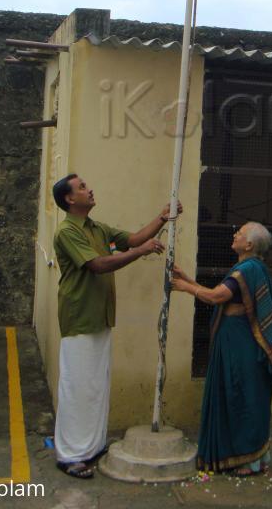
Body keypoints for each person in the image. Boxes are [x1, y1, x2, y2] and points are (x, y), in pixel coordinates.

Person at [51, 173, 179, 479]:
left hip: (100, 316)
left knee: (95, 385)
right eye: (82, 187)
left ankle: (91, 447)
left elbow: (132, 239)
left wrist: (161, 217)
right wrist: (140, 252)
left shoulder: (97, 228)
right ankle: (69, 455)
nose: (89, 188)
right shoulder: (67, 232)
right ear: (70, 199)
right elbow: (97, 264)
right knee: (77, 387)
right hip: (80, 317)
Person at [171, 222, 272, 476]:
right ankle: (254, 458)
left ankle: (246, 459)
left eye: (240, 233)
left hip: (240, 343)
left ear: (250, 245)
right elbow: (219, 293)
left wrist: (185, 287)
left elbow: (216, 297)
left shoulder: (247, 269)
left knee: (240, 395)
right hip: (237, 340)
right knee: (246, 395)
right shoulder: (251, 268)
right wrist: (186, 277)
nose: (235, 235)